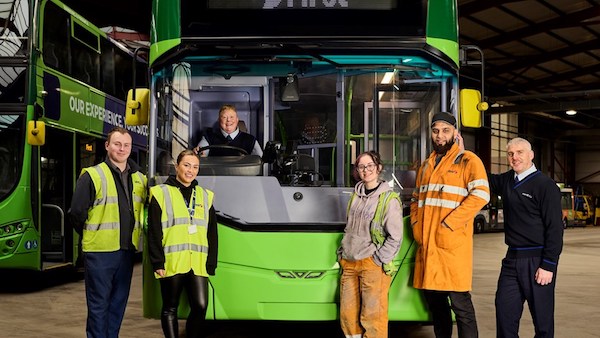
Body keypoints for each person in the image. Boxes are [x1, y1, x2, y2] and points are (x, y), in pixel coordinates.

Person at [410, 112, 489, 338]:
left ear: (455, 133)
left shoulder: (468, 160)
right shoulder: (426, 165)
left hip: (451, 247)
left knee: (461, 305)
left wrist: (448, 223)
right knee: (437, 306)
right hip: (428, 246)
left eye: (446, 131)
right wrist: (416, 225)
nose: (440, 136)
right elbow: (417, 199)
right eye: (436, 131)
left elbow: (481, 195)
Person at [68, 127, 148, 338]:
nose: (122, 149)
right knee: (98, 306)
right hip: (100, 252)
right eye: (117, 144)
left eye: (126, 145)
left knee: (117, 305)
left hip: (127, 251)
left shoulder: (140, 178)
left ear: (131, 148)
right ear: (107, 146)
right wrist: (91, 235)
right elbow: (76, 213)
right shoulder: (92, 176)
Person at [487, 137, 563, 338]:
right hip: (511, 260)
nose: (515, 157)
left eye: (520, 152)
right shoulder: (507, 180)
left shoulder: (546, 186)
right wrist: (462, 153)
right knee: (504, 314)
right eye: (510, 154)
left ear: (531, 155)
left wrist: (548, 265)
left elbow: (555, 230)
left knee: (543, 322)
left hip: (538, 261)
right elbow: (480, 177)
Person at [147, 149, 218, 338]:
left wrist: (211, 262)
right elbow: (154, 232)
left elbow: (212, 233)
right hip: (172, 261)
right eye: (186, 165)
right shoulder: (160, 193)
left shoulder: (205, 196)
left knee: (201, 306)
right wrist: (157, 262)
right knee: (170, 307)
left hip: (197, 263)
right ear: (176, 166)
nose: (190, 170)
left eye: (195, 167)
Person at [337, 150, 403, 338]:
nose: (366, 170)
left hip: (371, 265)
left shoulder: (388, 200)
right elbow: (349, 227)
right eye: (361, 167)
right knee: (348, 316)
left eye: (370, 166)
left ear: (379, 168)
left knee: (373, 316)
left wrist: (377, 260)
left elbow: (395, 237)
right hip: (349, 263)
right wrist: (343, 252)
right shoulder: (355, 196)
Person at [193, 104, 263, 157]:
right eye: (224, 117)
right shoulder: (208, 137)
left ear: (237, 120)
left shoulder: (250, 140)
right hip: (215, 175)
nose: (228, 120)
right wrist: (198, 153)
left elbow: (260, 161)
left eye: (232, 117)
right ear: (219, 120)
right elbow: (201, 153)